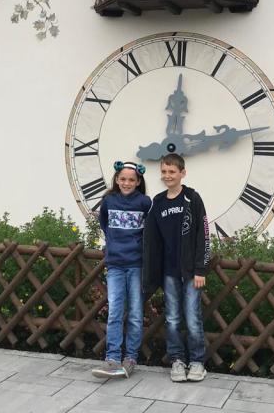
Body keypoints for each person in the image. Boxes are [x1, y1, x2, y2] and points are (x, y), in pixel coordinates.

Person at [143, 153, 210, 383]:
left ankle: (197, 362)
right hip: (169, 272)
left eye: (172, 171)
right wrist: (152, 274)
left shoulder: (192, 198)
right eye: (164, 171)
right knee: (171, 319)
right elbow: (152, 240)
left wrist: (201, 269)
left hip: (191, 273)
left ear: (182, 173)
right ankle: (177, 360)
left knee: (192, 318)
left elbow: (203, 235)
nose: (167, 176)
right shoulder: (158, 202)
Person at [92, 160, 152, 379]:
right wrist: (114, 245)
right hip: (115, 264)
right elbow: (105, 225)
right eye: (123, 179)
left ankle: (131, 357)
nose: (127, 183)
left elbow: (150, 230)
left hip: (136, 265)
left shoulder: (145, 203)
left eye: (131, 180)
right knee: (115, 311)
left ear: (138, 182)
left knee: (135, 313)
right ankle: (112, 358)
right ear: (116, 180)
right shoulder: (109, 201)